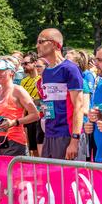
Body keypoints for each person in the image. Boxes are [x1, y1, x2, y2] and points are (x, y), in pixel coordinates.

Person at [36, 28, 83, 160]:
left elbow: (78, 106)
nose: (37, 46)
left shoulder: (70, 69)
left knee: (66, 179)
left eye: (41, 41)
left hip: (66, 134)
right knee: (49, 178)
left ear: (55, 44)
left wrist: (75, 140)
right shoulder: (45, 72)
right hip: (50, 134)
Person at [0, 59, 40, 156]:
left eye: (0, 70)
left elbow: (35, 115)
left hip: (15, 142)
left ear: (11, 73)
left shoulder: (18, 90)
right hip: (0, 140)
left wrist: (14, 122)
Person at [20, 52, 43, 156]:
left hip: (39, 116)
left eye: (26, 63)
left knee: (38, 147)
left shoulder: (41, 79)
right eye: (22, 64)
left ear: (34, 63)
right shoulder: (23, 81)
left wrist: (33, 100)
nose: (24, 66)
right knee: (30, 148)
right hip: (27, 116)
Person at [86, 45, 102, 162]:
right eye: (96, 59)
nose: (95, 63)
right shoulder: (100, 84)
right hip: (99, 156)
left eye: (100, 60)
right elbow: (95, 112)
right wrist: (90, 122)